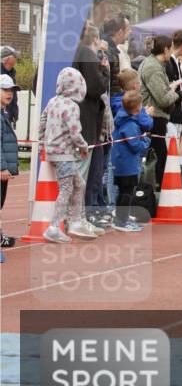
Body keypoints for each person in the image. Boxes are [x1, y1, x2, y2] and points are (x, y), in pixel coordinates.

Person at [40, 68, 98, 243]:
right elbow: (75, 132)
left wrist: (42, 140)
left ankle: (75, 220)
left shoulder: (53, 102)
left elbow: (42, 121)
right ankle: (55, 226)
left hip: (53, 151)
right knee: (66, 189)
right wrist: (83, 146)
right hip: (64, 153)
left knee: (79, 183)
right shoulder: (72, 106)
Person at [72, 22, 112, 228]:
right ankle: (81, 217)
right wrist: (104, 71)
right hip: (85, 122)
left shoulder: (63, 51)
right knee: (84, 174)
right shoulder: (86, 54)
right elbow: (96, 87)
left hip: (66, 124)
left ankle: (75, 217)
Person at [139, 35, 179, 187]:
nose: (172, 51)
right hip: (154, 117)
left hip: (154, 116)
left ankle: (155, 194)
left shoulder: (152, 64)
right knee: (159, 160)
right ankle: (156, 195)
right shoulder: (153, 67)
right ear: (165, 49)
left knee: (158, 158)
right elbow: (163, 98)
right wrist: (177, 93)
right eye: (171, 48)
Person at [111, 89, 152, 231]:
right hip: (127, 165)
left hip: (122, 163)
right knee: (126, 193)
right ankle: (121, 221)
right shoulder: (130, 125)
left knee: (124, 192)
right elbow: (136, 146)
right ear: (137, 108)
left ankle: (122, 218)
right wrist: (146, 140)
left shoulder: (123, 120)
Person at [1, 73, 20, 248]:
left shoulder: (3, 113)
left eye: (11, 90)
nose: (9, 93)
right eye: (5, 89)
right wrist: (2, 167)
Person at [0, 46, 20, 127]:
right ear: (6, 59)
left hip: (8, 114)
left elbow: (14, 96)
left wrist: (14, 113)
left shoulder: (12, 73)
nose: (16, 59)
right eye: (14, 56)